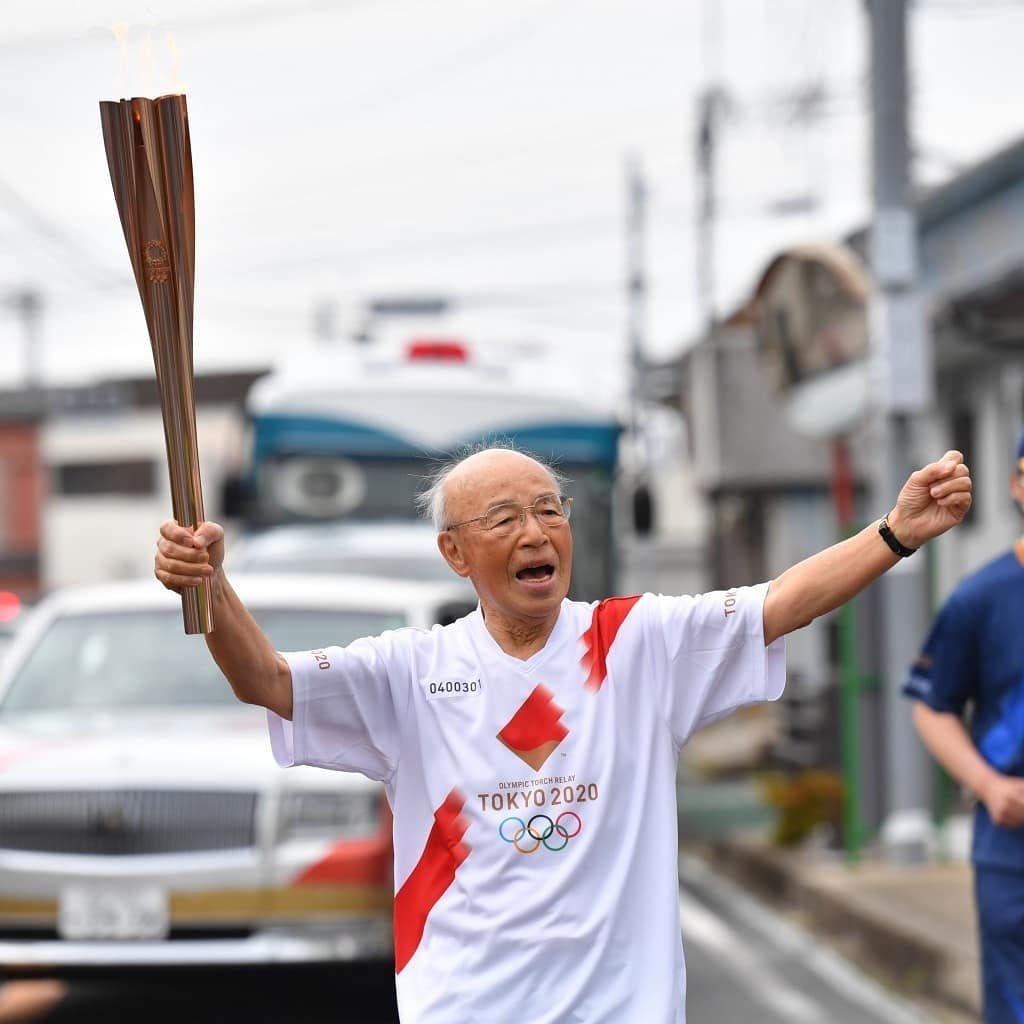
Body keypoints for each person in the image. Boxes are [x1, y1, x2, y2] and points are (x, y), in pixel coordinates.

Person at [156, 445, 972, 1024]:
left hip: (622, 1003)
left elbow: (780, 601)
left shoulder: (636, 643)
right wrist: (212, 588)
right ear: (455, 552)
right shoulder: (409, 670)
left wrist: (893, 533)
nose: (537, 533)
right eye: (504, 518)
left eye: (550, 510)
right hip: (466, 1002)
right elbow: (266, 681)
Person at [906, 432, 1024, 1024]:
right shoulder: (980, 598)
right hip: (1012, 846)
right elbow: (932, 703)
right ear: (1016, 485)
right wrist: (988, 783)